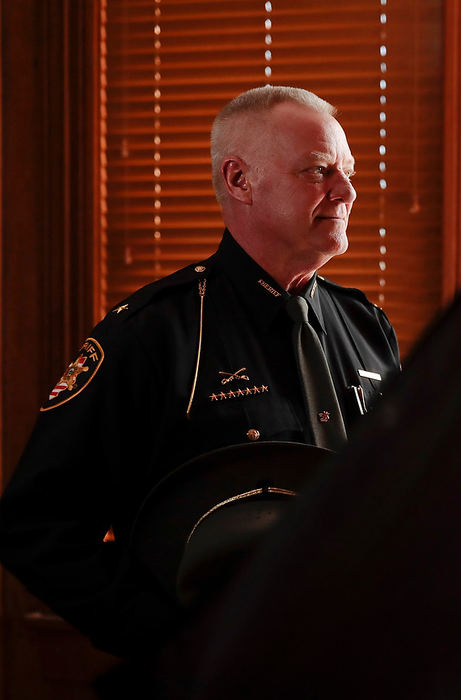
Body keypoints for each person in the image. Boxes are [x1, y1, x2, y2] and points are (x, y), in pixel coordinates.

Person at [0, 86, 400, 657]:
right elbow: (36, 529)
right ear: (239, 181)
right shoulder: (153, 334)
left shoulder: (367, 324)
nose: (347, 191)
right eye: (318, 171)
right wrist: (172, 641)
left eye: (350, 171)